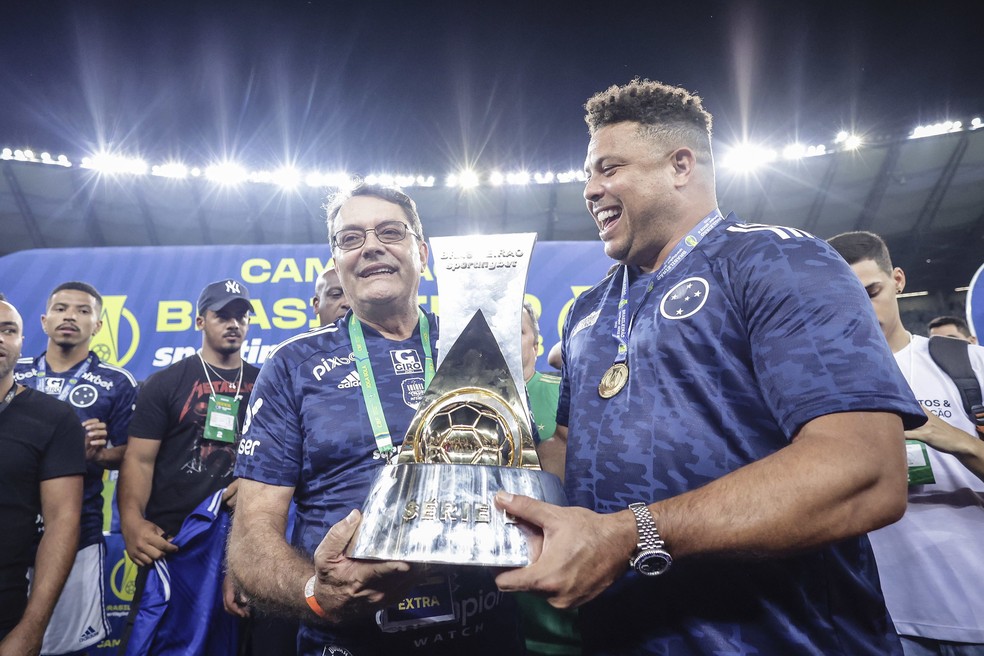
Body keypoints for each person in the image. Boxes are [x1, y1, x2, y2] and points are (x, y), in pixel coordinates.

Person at [497, 78, 925, 655]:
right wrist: (475, 481)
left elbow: (866, 473)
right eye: (588, 175)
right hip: (623, 637)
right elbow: (571, 449)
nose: (590, 190)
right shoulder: (587, 310)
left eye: (609, 168)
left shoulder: (777, 259)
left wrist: (631, 536)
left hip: (781, 638)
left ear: (680, 165)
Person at [228, 182, 522, 655]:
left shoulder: (477, 348)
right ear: (337, 262)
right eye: (350, 239)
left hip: (486, 633)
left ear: (421, 253)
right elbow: (250, 541)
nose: (370, 247)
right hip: (350, 642)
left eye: (390, 232)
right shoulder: (293, 366)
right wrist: (316, 592)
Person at [829, 231, 984, 654]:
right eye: (847, 297)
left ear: (898, 280)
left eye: (872, 291)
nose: (863, 308)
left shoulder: (967, 363)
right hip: (886, 624)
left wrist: (952, 437)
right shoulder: (820, 387)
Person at [117, 279, 259, 653]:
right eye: (222, 315)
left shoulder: (267, 383)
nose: (233, 324)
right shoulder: (164, 383)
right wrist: (132, 522)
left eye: (241, 316)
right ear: (200, 321)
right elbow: (139, 459)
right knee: (161, 644)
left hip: (247, 542)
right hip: (174, 542)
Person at [14, 281, 138, 655]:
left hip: (76, 535)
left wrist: (98, 456)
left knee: (61, 648)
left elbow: (131, 453)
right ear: (44, 319)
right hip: (10, 531)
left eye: (83, 311)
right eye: (61, 308)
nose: (70, 316)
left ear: (98, 325)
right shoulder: (12, 373)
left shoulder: (117, 383)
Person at [0, 295, 85, 655]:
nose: (0, 339)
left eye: (8, 330)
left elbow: (63, 521)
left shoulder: (53, 418)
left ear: (22, 341)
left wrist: (33, 626)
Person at [517, 301, 580, 656]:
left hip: (555, 599)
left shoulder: (562, 395)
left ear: (535, 345)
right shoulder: (464, 403)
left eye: (520, 330)